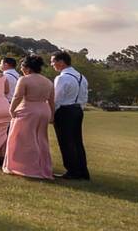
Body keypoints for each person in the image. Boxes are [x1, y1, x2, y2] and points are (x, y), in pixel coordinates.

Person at [3, 55, 54, 180]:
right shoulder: (48, 81)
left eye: (22, 66)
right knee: (41, 139)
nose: (21, 69)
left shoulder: (25, 79)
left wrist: (11, 109)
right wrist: (52, 114)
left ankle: (24, 166)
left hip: (28, 110)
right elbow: (52, 101)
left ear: (27, 68)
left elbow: (17, 96)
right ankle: (41, 166)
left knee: (22, 139)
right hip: (44, 110)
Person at [51, 51, 90, 179]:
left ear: (61, 62)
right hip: (77, 110)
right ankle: (82, 170)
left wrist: (52, 114)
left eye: (53, 61)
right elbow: (84, 96)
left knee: (66, 142)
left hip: (65, 111)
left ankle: (72, 171)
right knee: (77, 141)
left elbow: (56, 99)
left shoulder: (62, 78)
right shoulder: (81, 77)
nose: (52, 64)